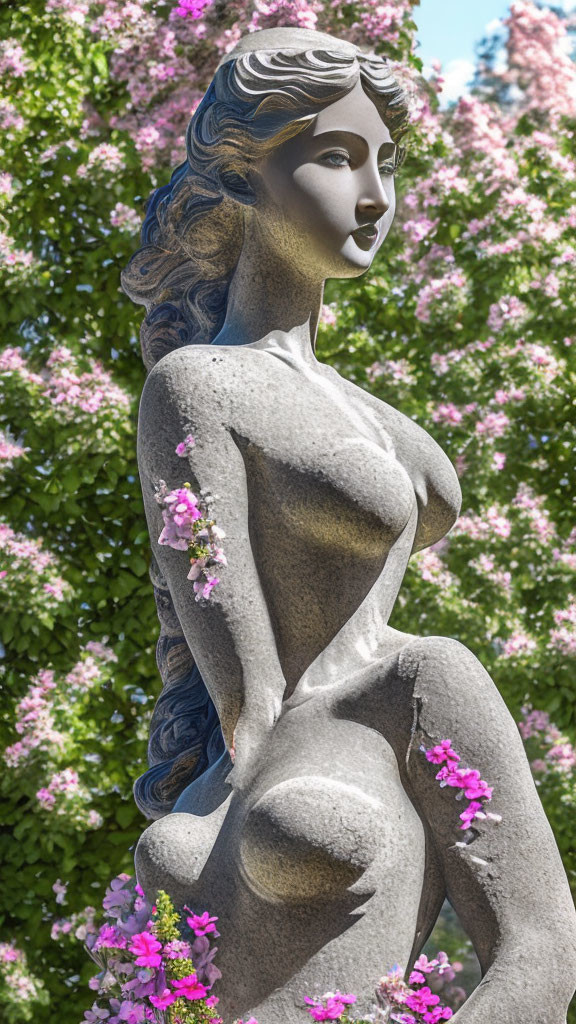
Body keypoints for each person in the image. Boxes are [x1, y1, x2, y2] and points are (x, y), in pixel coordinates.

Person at [121, 27, 576, 1023]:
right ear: (243, 174)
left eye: (386, 164)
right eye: (335, 156)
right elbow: (241, 670)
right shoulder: (196, 390)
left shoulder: (416, 686)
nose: (375, 193)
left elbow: (541, 955)